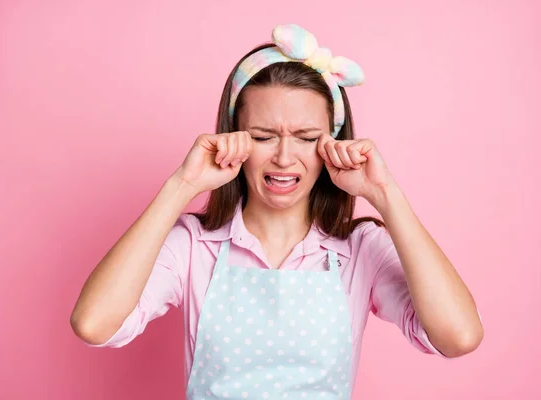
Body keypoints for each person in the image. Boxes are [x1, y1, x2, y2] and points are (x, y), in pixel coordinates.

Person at [70, 24, 483, 399]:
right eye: (264, 136)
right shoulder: (193, 246)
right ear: (235, 138)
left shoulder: (360, 250)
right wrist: (182, 185)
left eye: (306, 137)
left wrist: (385, 195)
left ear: (332, 145)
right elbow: (94, 324)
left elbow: (459, 336)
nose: (285, 158)